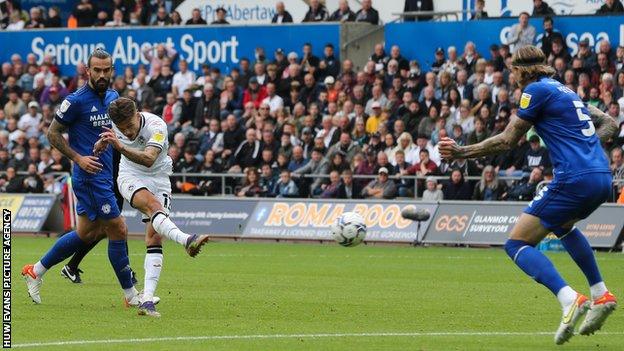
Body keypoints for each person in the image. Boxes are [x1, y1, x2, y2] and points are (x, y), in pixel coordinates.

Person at [439, 45, 618, 344]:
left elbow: (509, 139)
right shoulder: (565, 91)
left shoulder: (533, 91)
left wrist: (461, 152)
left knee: (516, 243)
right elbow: (610, 123)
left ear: (521, 70)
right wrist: (585, 149)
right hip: (601, 177)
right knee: (563, 226)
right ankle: (600, 294)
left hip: (574, 177)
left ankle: (568, 297)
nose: (511, 74)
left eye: (512, 69)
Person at [21, 49, 141, 306]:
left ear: (112, 70)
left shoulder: (113, 97)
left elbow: (114, 132)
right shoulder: (75, 101)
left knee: (86, 233)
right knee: (118, 228)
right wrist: (78, 158)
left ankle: (36, 271)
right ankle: (131, 295)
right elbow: (52, 134)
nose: (101, 74)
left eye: (105, 70)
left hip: (106, 173)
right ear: (88, 71)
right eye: (96, 70)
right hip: (90, 177)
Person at [94, 98, 210, 316]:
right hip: (130, 176)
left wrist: (118, 145)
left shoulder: (157, 126)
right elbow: (111, 138)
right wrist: (103, 143)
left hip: (160, 176)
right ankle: (186, 239)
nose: (127, 132)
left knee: (154, 238)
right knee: (153, 206)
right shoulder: (116, 128)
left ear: (138, 114)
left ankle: (147, 299)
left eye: (129, 126)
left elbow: (148, 159)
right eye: (121, 128)